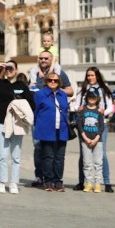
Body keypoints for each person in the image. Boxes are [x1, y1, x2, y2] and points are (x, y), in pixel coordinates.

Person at [0, 60, 34, 194]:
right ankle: (2, 181)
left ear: (16, 69)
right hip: (1, 123)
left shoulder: (21, 85)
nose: (8, 70)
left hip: (17, 124)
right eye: (6, 68)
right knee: (2, 155)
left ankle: (13, 182)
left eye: (11, 68)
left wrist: (25, 118)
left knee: (16, 156)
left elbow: (31, 104)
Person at [27, 50, 73, 188]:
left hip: (56, 119)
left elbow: (70, 91)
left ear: (51, 59)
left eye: (46, 58)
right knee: (39, 148)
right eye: (41, 58)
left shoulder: (59, 73)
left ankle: (54, 179)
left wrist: (56, 91)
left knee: (55, 154)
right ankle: (40, 176)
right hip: (41, 118)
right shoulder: (34, 73)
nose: (43, 60)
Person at [73, 67, 114, 192]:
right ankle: (83, 181)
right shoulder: (82, 89)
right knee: (84, 155)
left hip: (100, 124)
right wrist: (77, 108)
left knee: (102, 155)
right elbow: (75, 105)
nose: (90, 78)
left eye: (92, 75)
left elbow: (111, 107)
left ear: (97, 76)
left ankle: (106, 182)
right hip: (85, 126)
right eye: (88, 75)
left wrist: (104, 112)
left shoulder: (104, 89)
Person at [77, 88, 105, 192]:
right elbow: (79, 125)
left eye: (94, 96)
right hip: (85, 140)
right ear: (87, 97)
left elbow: (102, 127)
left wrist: (96, 139)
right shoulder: (83, 109)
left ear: (97, 98)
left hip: (98, 141)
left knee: (98, 163)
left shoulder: (99, 111)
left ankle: (97, 183)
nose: (92, 98)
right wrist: (85, 138)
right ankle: (88, 183)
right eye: (90, 96)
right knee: (87, 163)